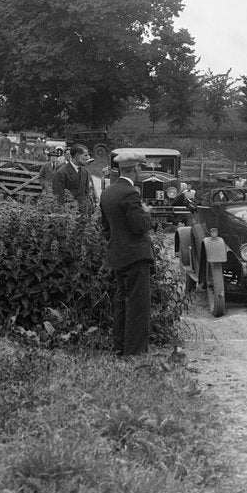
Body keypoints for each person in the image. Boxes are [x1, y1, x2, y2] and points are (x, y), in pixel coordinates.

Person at [99, 149, 154, 356]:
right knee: (138, 305)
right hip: (136, 256)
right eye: (141, 167)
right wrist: (147, 214)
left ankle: (119, 346)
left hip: (118, 256)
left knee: (121, 302)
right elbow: (140, 226)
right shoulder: (131, 193)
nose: (141, 171)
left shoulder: (108, 192)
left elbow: (105, 228)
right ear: (136, 169)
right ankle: (135, 351)